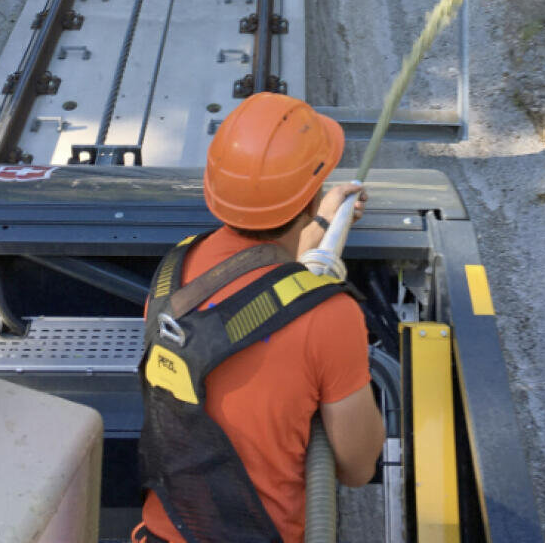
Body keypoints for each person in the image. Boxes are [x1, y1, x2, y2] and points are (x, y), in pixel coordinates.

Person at [134, 93, 386, 543]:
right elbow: (356, 467)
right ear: (309, 198)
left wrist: (319, 230)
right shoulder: (330, 316)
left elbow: (250, 281)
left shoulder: (173, 276)